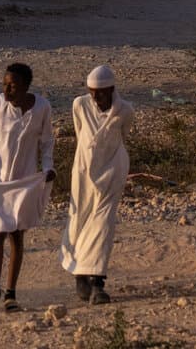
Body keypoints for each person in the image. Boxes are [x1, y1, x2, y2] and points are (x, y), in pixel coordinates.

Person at [0, 60, 56, 313]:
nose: (8, 91)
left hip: (24, 180)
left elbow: (47, 142)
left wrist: (48, 168)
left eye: (13, 86)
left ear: (26, 87)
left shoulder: (41, 107)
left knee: (17, 234)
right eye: (5, 85)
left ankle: (11, 293)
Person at [60, 64, 134, 305]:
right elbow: (80, 131)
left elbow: (123, 135)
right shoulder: (79, 105)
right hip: (83, 172)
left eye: (100, 92)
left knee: (103, 224)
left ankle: (97, 282)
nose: (96, 97)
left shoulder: (125, 110)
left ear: (111, 89)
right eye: (92, 92)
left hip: (113, 169)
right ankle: (79, 273)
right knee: (80, 218)